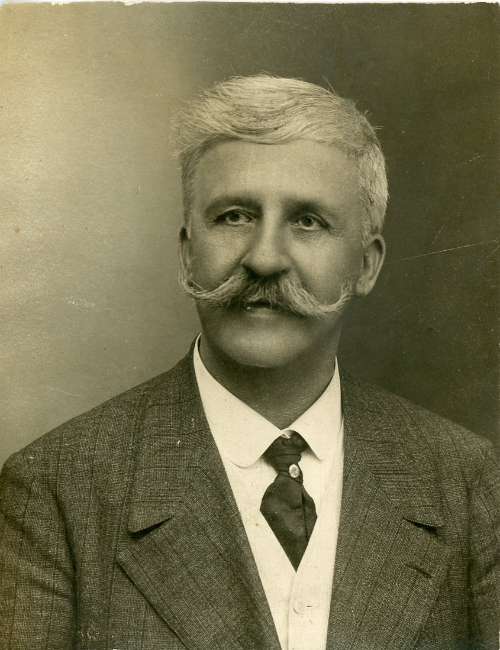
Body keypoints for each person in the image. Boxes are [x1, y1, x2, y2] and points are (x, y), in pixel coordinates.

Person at [0, 74, 498, 650]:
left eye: (307, 221)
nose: (263, 259)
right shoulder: (55, 491)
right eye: (234, 216)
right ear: (187, 253)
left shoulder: (466, 481)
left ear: (366, 265)